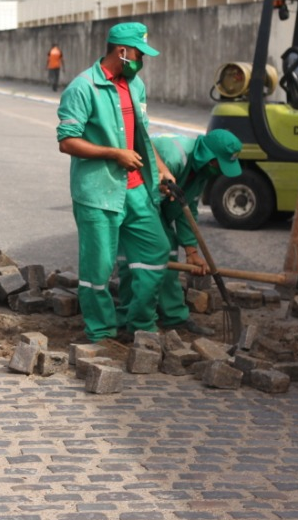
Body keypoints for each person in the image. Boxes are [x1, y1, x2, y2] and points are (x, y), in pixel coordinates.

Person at [56, 22, 176, 343]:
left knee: (156, 250)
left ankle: (139, 322)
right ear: (122, 52)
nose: (142, 60)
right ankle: (101, 334)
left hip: (136, 188)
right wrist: (114, 154)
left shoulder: (136, 86)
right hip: (98, 193)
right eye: (139, 53)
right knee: (98, 271)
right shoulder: (83, 88)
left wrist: (161, 169)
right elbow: (67, 141)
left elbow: (142, 137)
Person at [149, 130, 244, 335]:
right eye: (220, 164)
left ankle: (173, 317)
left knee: (169, 251)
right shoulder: (175, 158)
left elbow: (187, 207)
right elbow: (147, 195)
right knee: (155, 250)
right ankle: (139, 319)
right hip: (142, 200)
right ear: (209, 158)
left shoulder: (201, 171)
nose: (220, 172)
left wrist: (192, 252)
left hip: (159, 205)